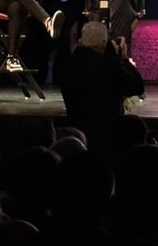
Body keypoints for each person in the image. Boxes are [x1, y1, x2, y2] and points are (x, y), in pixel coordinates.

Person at [58, 21, 146, 156]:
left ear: (81, 40)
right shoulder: (109, 66)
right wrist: (124, 59)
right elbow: (137, 87)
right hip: (108, 136)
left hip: (78, 133)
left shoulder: (66, 66)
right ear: (105, 42)